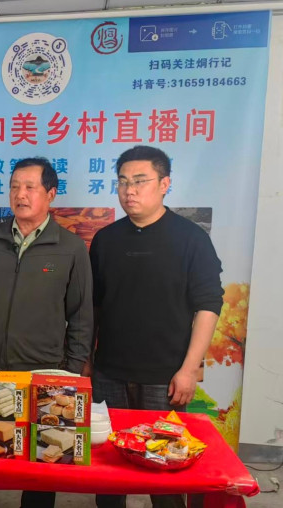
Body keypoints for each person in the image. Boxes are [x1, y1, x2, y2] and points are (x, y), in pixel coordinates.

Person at [0, 157, 94, 508]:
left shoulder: (70, 247)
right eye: (15, 186)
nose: (20, 194)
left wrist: (70, 372)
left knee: (42, 467)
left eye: (30, 187)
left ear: (51, 194)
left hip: (43, 373)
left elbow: (81, 315)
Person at [88, 145, 223, 508]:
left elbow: (208, 305)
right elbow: (94, 307)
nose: (129, 190)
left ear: (165, 184)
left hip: (164, 377)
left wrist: (189, 369)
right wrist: (88, 360)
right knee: (108, 474)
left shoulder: (191, 238)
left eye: (140, 181)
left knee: (165, 473)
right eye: (122, 182)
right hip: (110, 373)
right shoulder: (105, 240)